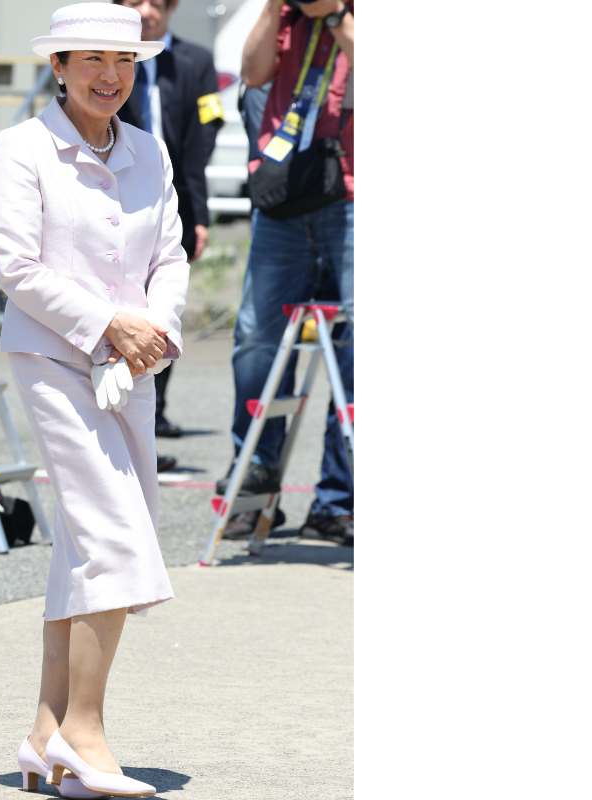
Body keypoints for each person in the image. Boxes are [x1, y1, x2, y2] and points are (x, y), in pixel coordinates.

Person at [0, 5, 188, 798]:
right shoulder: (22, 148)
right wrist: (108, 322)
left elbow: (171, 255)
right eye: (95, 59)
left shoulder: (149, 149)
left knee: (83, 544)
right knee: (111, 533)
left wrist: (152, 332)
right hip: (54, 358)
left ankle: (45, 732)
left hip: (131, 364)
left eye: (127, 60)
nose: (113, 75)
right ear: (59, 65)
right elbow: (17, 268)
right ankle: (85, 731)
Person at [217, 0, 354, 545]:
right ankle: (253, 487)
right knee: (256, 341)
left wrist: (338, 14)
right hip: (282, 195)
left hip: (351, 193)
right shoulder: (284, 16)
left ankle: (336, 502)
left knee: (356, 350)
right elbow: (252, 73)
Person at [113, 0, 223, 442]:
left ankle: (153, 409)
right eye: (135, 2)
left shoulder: (195, 61)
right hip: (114, 190)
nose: (147, 12)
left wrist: (199, 212)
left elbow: (204, 135)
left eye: (157, 3)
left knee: (163, 298)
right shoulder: (102, 64)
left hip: (174, 196)